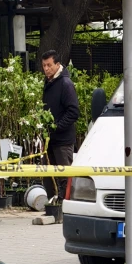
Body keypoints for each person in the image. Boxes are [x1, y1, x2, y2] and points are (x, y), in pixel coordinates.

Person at [41, 50, 80, 203]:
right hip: (49, 139)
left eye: (49, 65)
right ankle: (52, 205)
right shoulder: (49, 82)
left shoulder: (65, 84)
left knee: (64, 176)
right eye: (44, 65)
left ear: (58, 65)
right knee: (47, 173)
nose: (46, 68)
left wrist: (57, 127)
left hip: (63, 140)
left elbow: (73, 112)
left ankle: (64, 207)